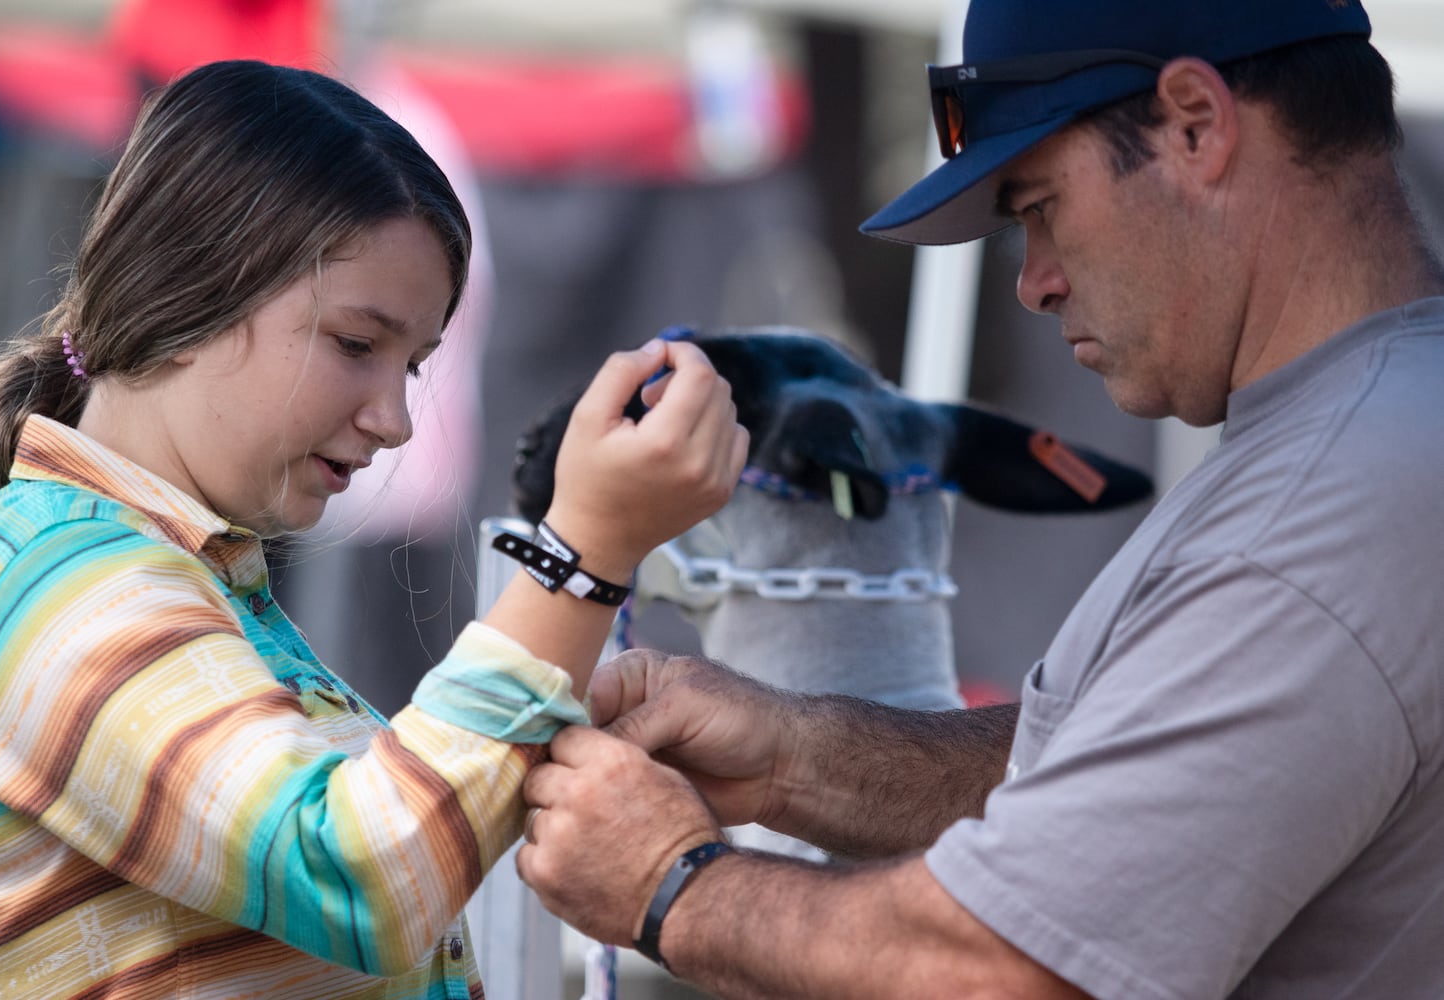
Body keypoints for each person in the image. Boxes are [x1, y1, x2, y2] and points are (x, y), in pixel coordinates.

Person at [515, 0, 1444, 996]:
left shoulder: (1324, 507)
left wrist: (675, 886)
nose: (1033, 282)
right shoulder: (1368, 433)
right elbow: (1146, 780)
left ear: (1194, 123)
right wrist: (797, 758)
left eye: (1039, 205)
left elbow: (1014, 970)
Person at [0, 59, 747, 998]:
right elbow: (357, 879)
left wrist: (555, 722)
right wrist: (582, 558)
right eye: (357, 345)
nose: (395, 419)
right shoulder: (67, 582)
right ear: (192, 287)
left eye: (413, 365)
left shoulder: (158, 573)